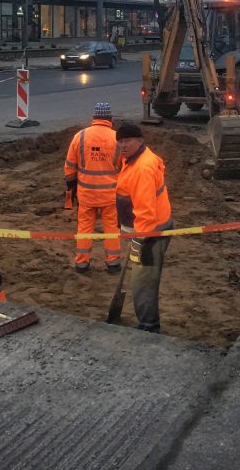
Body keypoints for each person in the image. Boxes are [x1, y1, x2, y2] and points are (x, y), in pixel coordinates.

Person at [115, 122, 173, 333]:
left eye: (127, 141)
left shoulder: (142, 168)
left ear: (139, 140)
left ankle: (149, 327)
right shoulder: (134, 159)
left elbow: (146, 214)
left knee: (143, 283)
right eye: (120, 142)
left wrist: (138, 242)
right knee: (142, 280)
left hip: (150, 235)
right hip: (148, 229)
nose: (123, 145)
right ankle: (148, 322)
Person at [64, 102, 121, 274]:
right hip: (110, 195)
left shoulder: (80, 137)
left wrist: (70, 186)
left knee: (84, 228)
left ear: (94, 118)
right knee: (112, 228)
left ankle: (82, 263)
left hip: (86, 194)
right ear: (109, 119)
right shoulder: (117, 138)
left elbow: (70, 166)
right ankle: (113, 263)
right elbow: (124, 167)